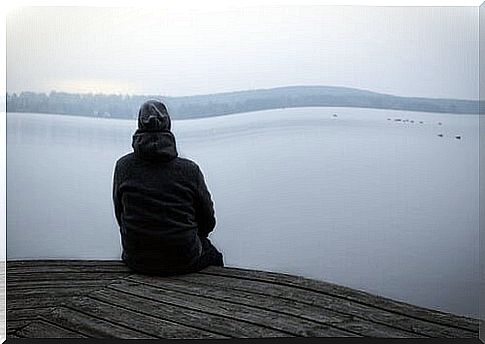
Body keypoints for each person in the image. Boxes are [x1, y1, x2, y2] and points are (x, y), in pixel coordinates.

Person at [112, 100, 223, 275]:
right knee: (215, 256)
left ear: (140, 124)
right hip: (184, 257)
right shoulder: (189, 170)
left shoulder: (123, 167)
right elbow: (208, 221)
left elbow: (120, 215)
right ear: (168, 124)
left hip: (137, 258)